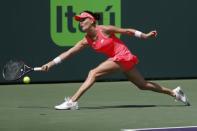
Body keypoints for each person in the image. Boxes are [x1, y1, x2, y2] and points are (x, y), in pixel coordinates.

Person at [41, 11, 190, 110]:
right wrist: (51, 63)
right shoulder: (86, 41)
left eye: (83, 19)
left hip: (123, 56)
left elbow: (126, 31)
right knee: (143, 85)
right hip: (122, 60)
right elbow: (69, 53)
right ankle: (175, 93)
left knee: (93, 73)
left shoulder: (103, 29)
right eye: (79, 21)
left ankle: (72, 101)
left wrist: (144, 36)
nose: (80, 23)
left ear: (92, 21)